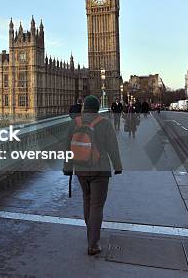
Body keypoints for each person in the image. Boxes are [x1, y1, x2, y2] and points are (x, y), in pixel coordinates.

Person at [63, 95, 122, 256]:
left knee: (87, 201)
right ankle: (93, 244)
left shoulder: (74, 123)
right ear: (97, 108)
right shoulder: (104, 123)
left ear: (84, 108)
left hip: (80, 169)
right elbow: (113, 148)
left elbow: (67, 147)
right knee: (96, 206)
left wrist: (67, 167)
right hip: (100, 170)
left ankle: (91, 234)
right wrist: (117, 166)